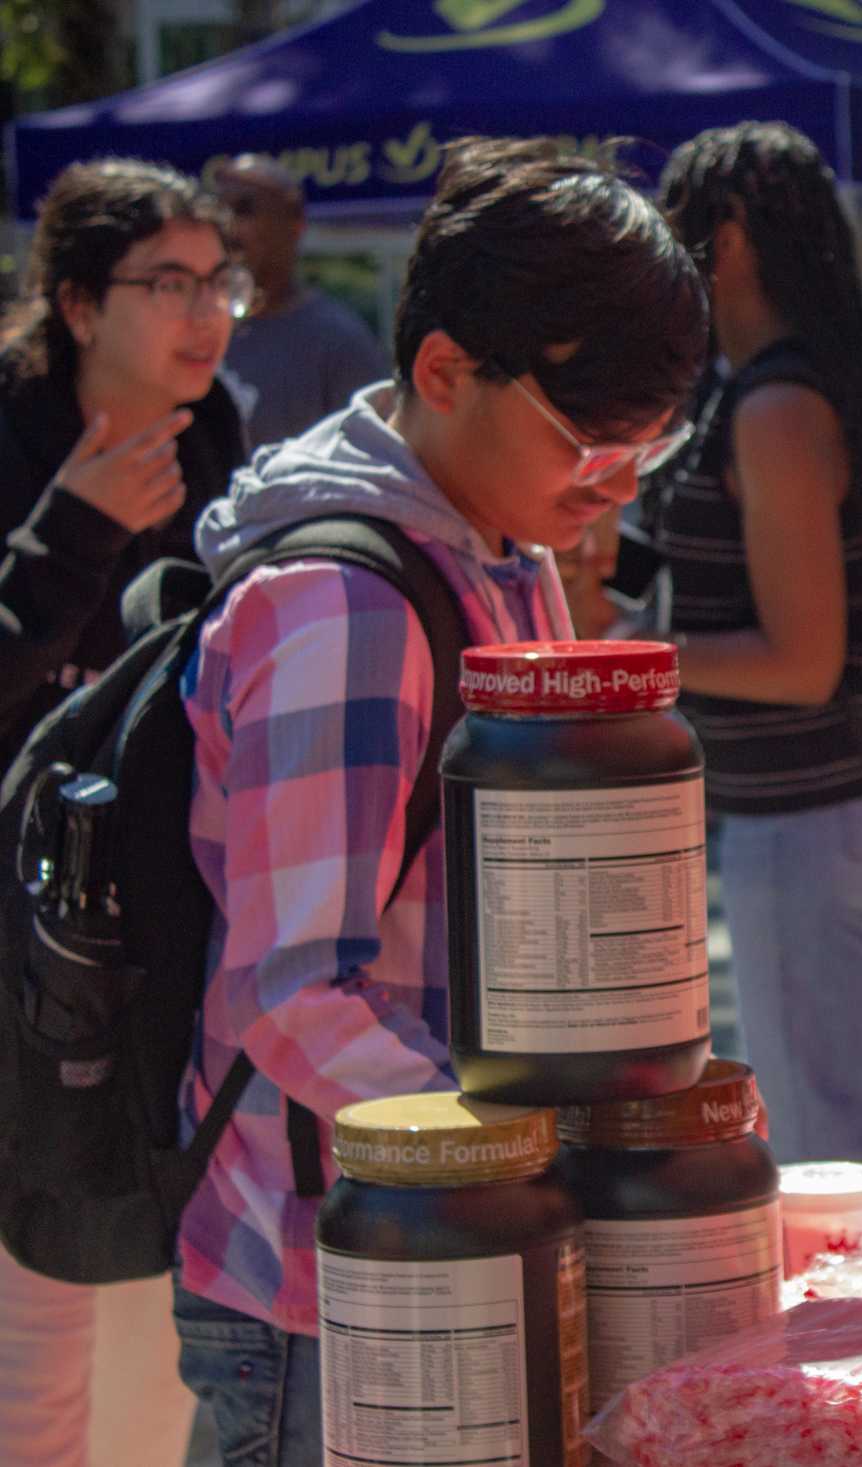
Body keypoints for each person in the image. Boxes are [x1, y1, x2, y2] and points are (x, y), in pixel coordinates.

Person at [172, 138, 707, 1462]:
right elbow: (293, 991)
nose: (615, 486)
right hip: (340, 1286)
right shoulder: (341, 609)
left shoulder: (498, 550)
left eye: (652, 445)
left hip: (458, 1243)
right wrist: (535, 1163)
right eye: (589, 439)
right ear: (443, 372)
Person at [0, 157, 249, 1467]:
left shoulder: (221, 444)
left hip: (155, 936)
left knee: (159, 1333)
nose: (206, 313)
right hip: (21, 946)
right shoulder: (16, 440)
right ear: (81, 305)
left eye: (222, 282)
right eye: (170, 284)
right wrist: (71, 536)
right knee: (34, 1318)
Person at [654, 122, 862, 1227]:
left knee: (826, 1132)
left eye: (677, 229)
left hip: (805, 815)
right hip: (804, 815)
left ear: (725, 240)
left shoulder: (776, 406)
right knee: (851, 1109)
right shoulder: (770, 391)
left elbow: (802, 661)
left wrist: (632, 665)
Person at [208, 155, 387, 449]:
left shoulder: (339, 342)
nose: (228, 228)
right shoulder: (200, 329)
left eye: (244, 209)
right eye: (219, 212)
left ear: (295, 222)